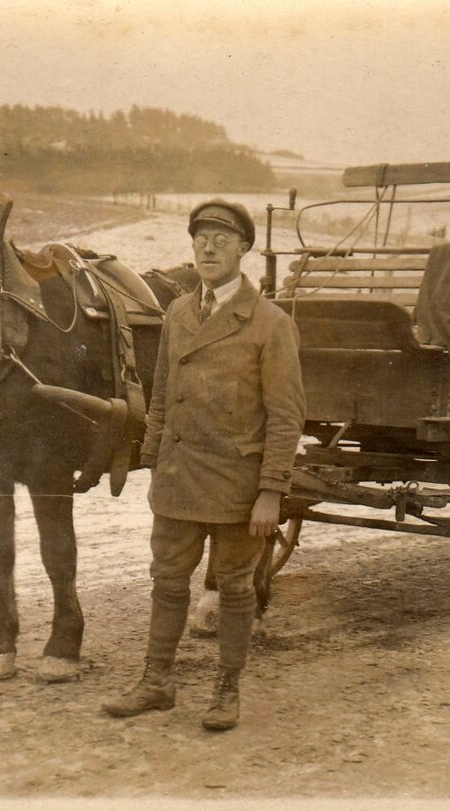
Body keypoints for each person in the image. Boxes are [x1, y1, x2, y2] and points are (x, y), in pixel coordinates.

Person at [101, 198, 306, 731]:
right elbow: (163, 393)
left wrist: (271, 491)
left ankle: (227, 690)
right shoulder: (178, 312)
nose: (209, 247)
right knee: (167, 581)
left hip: (237, 484)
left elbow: (286, 417)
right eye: (201, 239)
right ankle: (157, 682)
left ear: (243, 248)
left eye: (221, 238)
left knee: (235, 587)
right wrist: (153, 459)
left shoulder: (269, 324)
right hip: (178, 476)